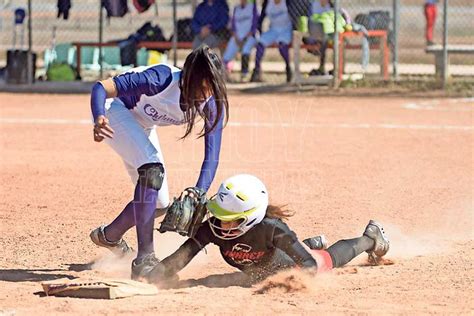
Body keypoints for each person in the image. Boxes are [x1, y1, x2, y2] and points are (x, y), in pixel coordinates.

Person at [88, 45, 229, 283]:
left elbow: (212, 156)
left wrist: (199, 192)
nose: (208, 92)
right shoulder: (160, 79)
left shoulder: (212, 103)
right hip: (116, 112)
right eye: (204, 85)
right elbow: (101, 87)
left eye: (213, 85)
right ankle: (144, 259)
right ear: (189, 78)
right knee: (152, 171)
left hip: (143, 125)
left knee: (160, 204)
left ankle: (109, 236)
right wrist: (98, 115)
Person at [145, 174, 390, 283]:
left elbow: (308, 266)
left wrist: (291, 280)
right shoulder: (213, 228)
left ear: (251, 217)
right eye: (219, 215)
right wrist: (160, 272)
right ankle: (308, 243)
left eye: (230, 218)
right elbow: (183, 255)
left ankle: (371, 238)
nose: (221, 223)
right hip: (260, 269)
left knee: (326, 260)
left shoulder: (272, 229)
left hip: (287, 264)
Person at [250, 0, 294, 83]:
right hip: (273, 30)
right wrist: (259, 30)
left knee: (282, 44)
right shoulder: (267, 2)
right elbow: (261, 18)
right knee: (260, 43)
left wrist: (294, 29)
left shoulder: (287, 2)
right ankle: (256, 70)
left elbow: (295, 15)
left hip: (286, 29)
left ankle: (288, 68)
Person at [305, 0, 351, 76]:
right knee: (324, 40)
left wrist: (347, 23)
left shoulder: (332, 5)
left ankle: (339, 69)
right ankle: (322, 67)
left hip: (330, 33)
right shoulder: (314, 5)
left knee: (341, 41)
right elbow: (311, 21)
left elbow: (343, 15)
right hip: (317, 33)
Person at [222, 0, 259, 81]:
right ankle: (223, 75)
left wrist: (245, 39)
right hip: (237, 37)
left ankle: (244, 75)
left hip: (250, 36)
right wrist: (236, 37)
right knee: (226, 56)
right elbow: (233, 26)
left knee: (246, 50)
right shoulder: (236, 8)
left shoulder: (252, 7)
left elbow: (254, 26)